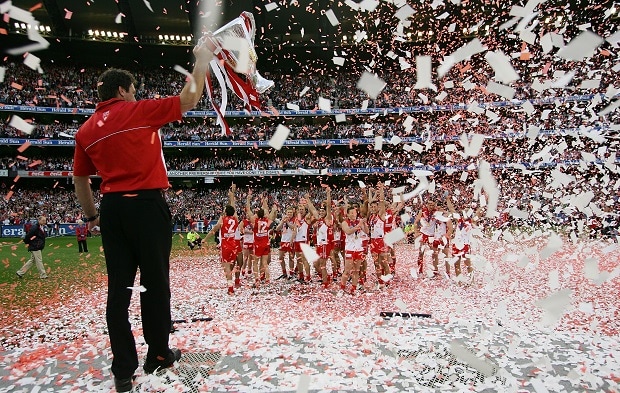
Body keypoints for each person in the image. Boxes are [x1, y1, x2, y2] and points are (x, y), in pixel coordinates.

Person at [72, 39, 213, 393]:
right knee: (154, 284)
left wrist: (91, 217)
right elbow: (189, 99)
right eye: (133, 90)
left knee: (118, 291)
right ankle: (159, 354)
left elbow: (80, 179)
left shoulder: (85, 130)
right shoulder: (137, 111)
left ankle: (123, 369)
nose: (136, 95)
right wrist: (201, 59)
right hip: (147, 206)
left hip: (113, 209)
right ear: (122, 89)